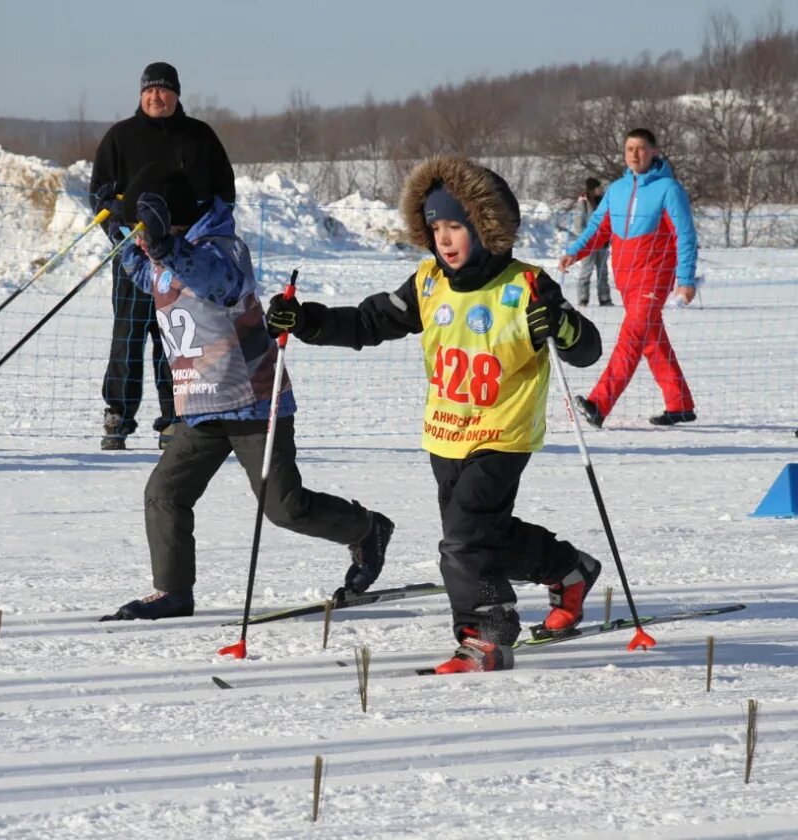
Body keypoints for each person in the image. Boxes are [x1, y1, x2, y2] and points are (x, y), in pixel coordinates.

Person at [266, 156, 603, 674]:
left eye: (456, 227)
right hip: (445, 435)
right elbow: (366, 322)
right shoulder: (428, 283)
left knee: (464, 538)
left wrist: (558, 323)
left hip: (502, 433)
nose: (444, 240)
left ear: (485, 228)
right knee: (478, 536)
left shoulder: (527, 285)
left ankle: (486, 634)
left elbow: (586, 350)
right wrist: (305, 319)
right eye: (436, 228)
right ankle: (569, 569)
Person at [99, 163, 394, 621]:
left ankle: (366, 529)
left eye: (146, 226)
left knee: (285, 509)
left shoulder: (221, 248)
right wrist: (114, 226)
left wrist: (164, 246)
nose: (142, 239)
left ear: (170, 219)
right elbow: (145, 273)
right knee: (165, 493)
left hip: (253, 401)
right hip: (202, 409)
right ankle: (174, 592)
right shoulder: (159, 257)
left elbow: (218, 283)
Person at [89, 61, 236, 450]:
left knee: (174, 336)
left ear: (177, 94)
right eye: (150, 91)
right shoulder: (121, 137)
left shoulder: (200, 136)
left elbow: (225, 195)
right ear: (141, 95)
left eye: (164, 90)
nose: (157, 97)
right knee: (128, 332)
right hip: (134, 252)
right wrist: (116, 230)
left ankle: (175, 416)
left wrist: (205, 234)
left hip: (185, 254)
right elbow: (100, 194)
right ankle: (118, 413)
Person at [560, 128, 698, 428]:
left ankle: (599, 402)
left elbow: (685, 236)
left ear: (655, 152)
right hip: (625, 279)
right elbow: (598, 228)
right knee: (651, 339)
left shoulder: (669, 190)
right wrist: (575, 251)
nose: (635, 154)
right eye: (629, 149)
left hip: (654, 277)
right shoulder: (617, 190)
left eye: (641, 148)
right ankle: (680, 403)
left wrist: (686, 280)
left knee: (632, 337)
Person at [572, 177, 612, 306]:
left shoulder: (604, 202)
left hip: (602, 243)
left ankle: (605, 298)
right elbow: (579, 224)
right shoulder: (583, 203)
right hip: (589, 244)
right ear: (592, 189)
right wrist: (586, 239)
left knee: (603, 271)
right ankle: (583, 298)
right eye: (598, 187)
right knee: (586, 271)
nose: (601, 189)